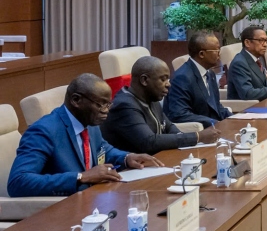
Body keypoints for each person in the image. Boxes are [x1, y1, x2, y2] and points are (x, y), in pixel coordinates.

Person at [7, 74, 162, 198]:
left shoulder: (88, 122)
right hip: (61, 208)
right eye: (101, 104)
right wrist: (81, 177)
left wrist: (127, 158)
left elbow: (102, 149)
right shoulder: (43, 131)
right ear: (76, 100)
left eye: (108, 104)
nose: (106, 111)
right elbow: (18, 182)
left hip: (93, 199)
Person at [104, 57, 221, 154]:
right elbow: (149, 141)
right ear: (144, 80)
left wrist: (185, 140)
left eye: (168, 79)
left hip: (155, 161)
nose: (168, 84)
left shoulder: (151, 98)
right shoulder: (124, 105)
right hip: (127, 170)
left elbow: (168, 127)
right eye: (163, 79)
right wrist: (198, 136)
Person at [164, 30, 232, 127]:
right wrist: (214, 123)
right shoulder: (182, 78)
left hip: (213, 129)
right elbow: (180, 115)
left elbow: (216, 107)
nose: (219, 54)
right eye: (217, 50)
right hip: (197, 131)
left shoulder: (210, 74)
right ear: (201, 54)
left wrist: (235, 118)